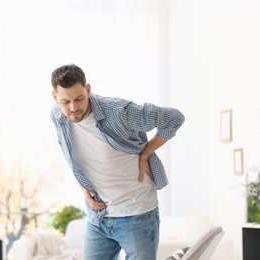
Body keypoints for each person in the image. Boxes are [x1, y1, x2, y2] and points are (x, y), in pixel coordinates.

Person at [50, 64, 185, 260]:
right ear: (55, 98)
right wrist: (84, 190)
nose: (73, 107)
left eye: (79, 98)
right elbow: (70, 155)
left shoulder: (119, 112)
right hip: (99, 218)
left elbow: (174, 118)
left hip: (138, 213)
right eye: (65, 101)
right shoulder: (58, 117)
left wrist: (145, 153)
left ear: (88, 90)